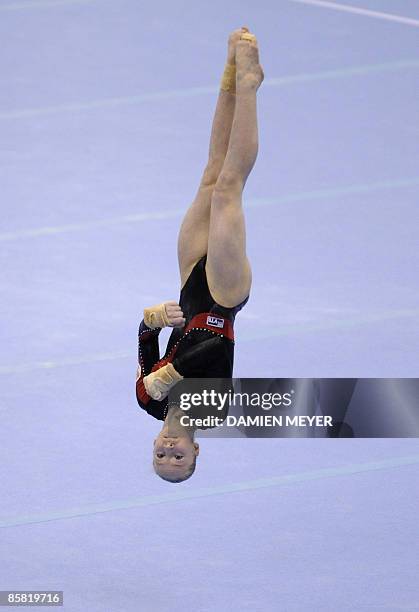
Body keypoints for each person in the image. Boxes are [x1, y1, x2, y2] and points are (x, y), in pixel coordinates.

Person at [136, 27, 264, 482]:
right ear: (196, 451)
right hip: (223, 299)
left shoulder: (147, 401)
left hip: (190, 284)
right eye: (179, 458)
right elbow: (213, 344)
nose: (169, 451)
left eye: (161, 457)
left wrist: (151, 320)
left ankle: (230, 73)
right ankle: (249, 87)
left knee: (209, 176)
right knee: (229, 189)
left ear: (153, 446)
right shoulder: (212, 411)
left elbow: (146, 338)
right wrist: (170, 373)